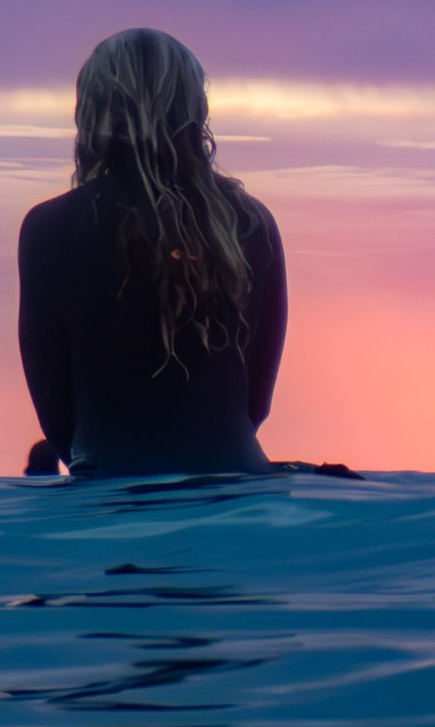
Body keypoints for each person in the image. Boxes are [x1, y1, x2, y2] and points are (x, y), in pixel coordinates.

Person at [18, 29, 288, 479]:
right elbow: (255, 404)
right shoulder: (250, 223)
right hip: (236, 485)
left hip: (111, 488)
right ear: (194, 107)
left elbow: (55, 412)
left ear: (93, 109)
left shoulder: (52, 227)